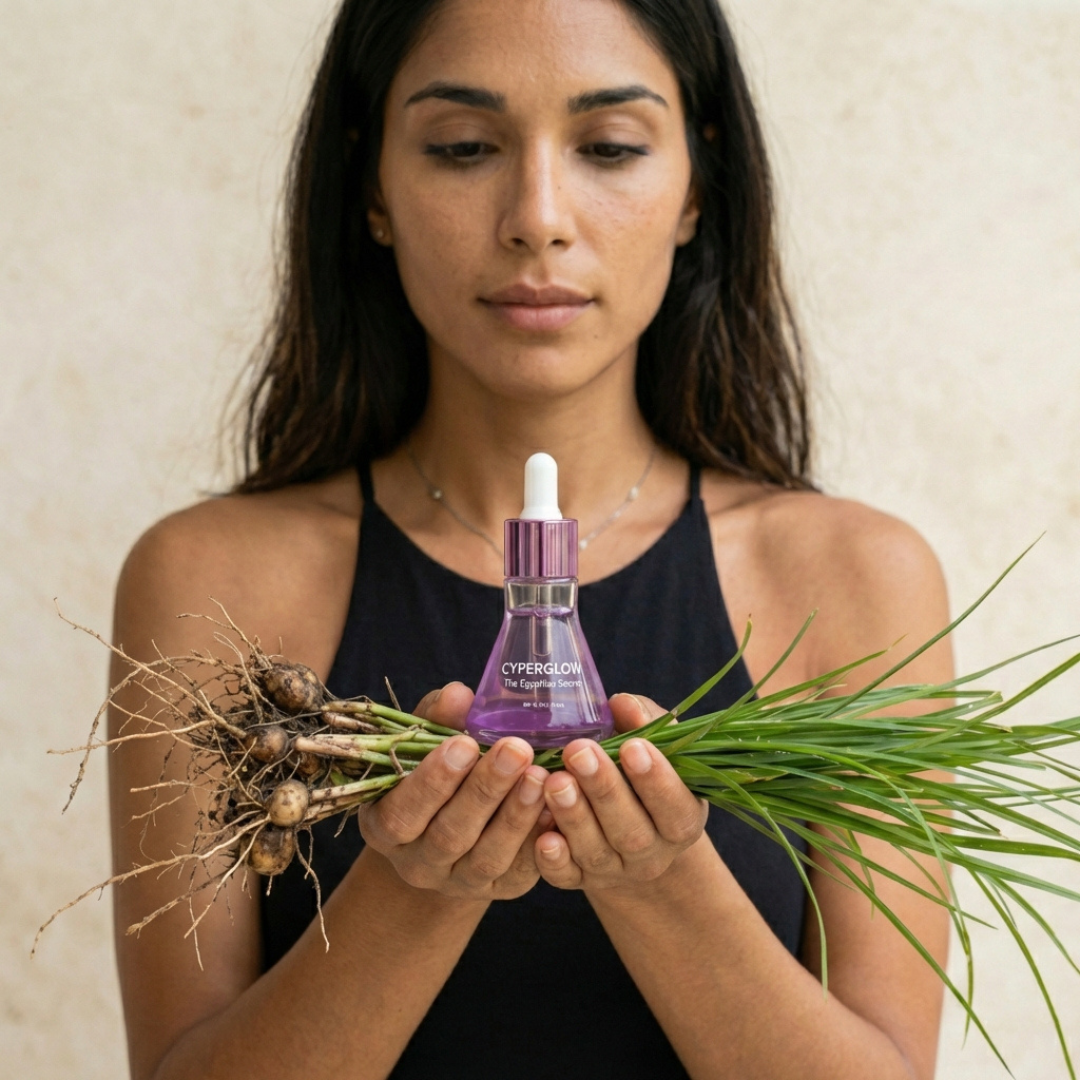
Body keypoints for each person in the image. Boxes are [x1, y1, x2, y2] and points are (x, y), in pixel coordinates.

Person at [108, 0, 953, 1077]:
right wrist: (415, 891)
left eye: (609, 147)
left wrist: (660, 884)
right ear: (373, 189)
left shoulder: (851, 582)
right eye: (464, 147)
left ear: (699, 186)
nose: (538, 216)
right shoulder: (213, 583)